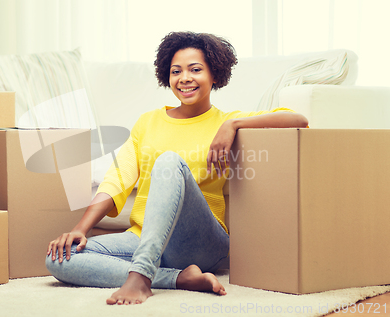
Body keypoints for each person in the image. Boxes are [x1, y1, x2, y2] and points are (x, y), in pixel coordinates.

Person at [46, 31, 308, 305]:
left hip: (202, 242)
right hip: (144, 238)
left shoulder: (227, 120)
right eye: (176, 71)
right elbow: (117, 180)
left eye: (195, 69)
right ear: (166, 76)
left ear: (215, 75)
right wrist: (80, 229)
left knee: (169, 162)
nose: (184, 78)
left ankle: (141, 278)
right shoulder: (147, 122)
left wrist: (233, 125)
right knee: (59, 259)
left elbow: (298, 119)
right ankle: (178, 278)